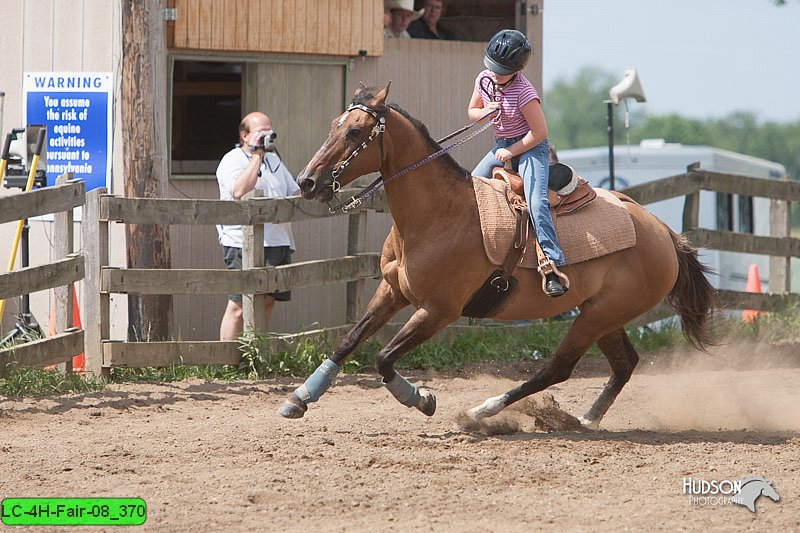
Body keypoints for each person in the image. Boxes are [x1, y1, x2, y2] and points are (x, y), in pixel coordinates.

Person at [467, 29, 568, 297]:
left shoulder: (524, 92)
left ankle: (551, 263)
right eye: (492, 67)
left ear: (516, 69)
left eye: (501, 70)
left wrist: (511, 151)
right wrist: (485, 112)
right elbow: (472, 111)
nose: (495, 74)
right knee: (472, 185)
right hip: (503, 144)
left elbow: (539, 133)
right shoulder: (484, 79)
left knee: (536, 201)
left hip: (530, 148)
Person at [216, 112, 300, 340]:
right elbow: (239, 191)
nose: (267, 135)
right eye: (261, 131)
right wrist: (257, 155)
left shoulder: (275, 161)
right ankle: (227, 360)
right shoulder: (232, 159)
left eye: (269, 130)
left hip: (278, 240)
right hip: (241, 243)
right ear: (245, 135)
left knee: (267, 301)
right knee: (239, 304)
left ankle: (255, 354)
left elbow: (294, 192)